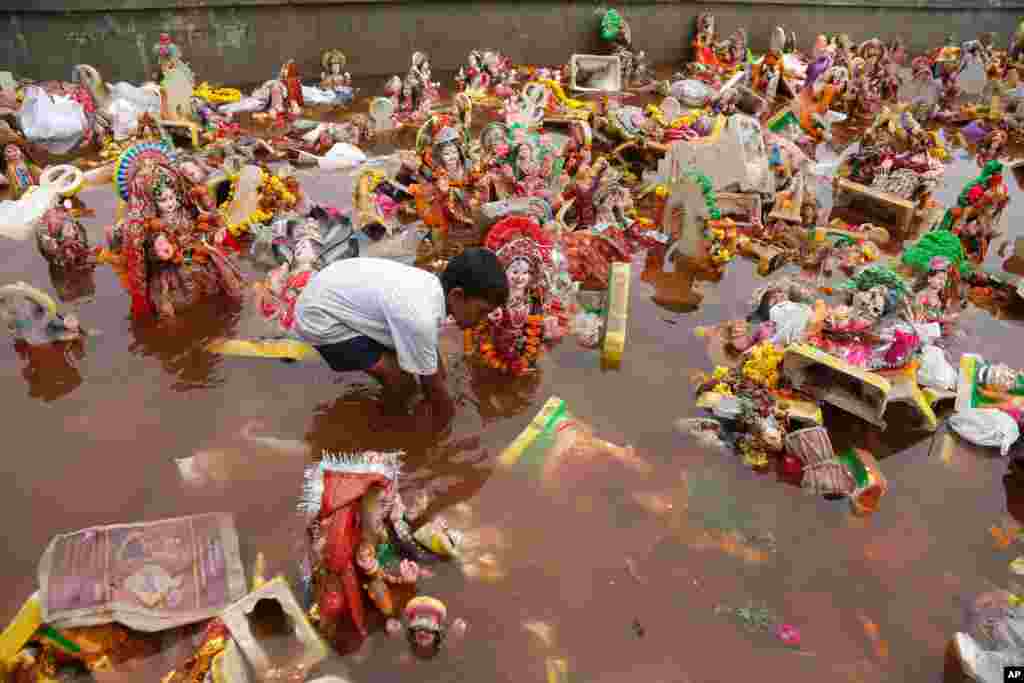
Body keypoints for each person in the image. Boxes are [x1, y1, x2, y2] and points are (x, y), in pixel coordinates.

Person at [292, 249, 509, 431]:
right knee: (400, 381)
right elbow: (432, 387)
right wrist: (448, 426)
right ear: (457, 296)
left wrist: (436, 377)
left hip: (332, 289)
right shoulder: (420, 317)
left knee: (412, 368)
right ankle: (386, 428)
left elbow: (429, 357)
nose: (481, 320)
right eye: (481, 312)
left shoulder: (431, 287)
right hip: (320, 317)